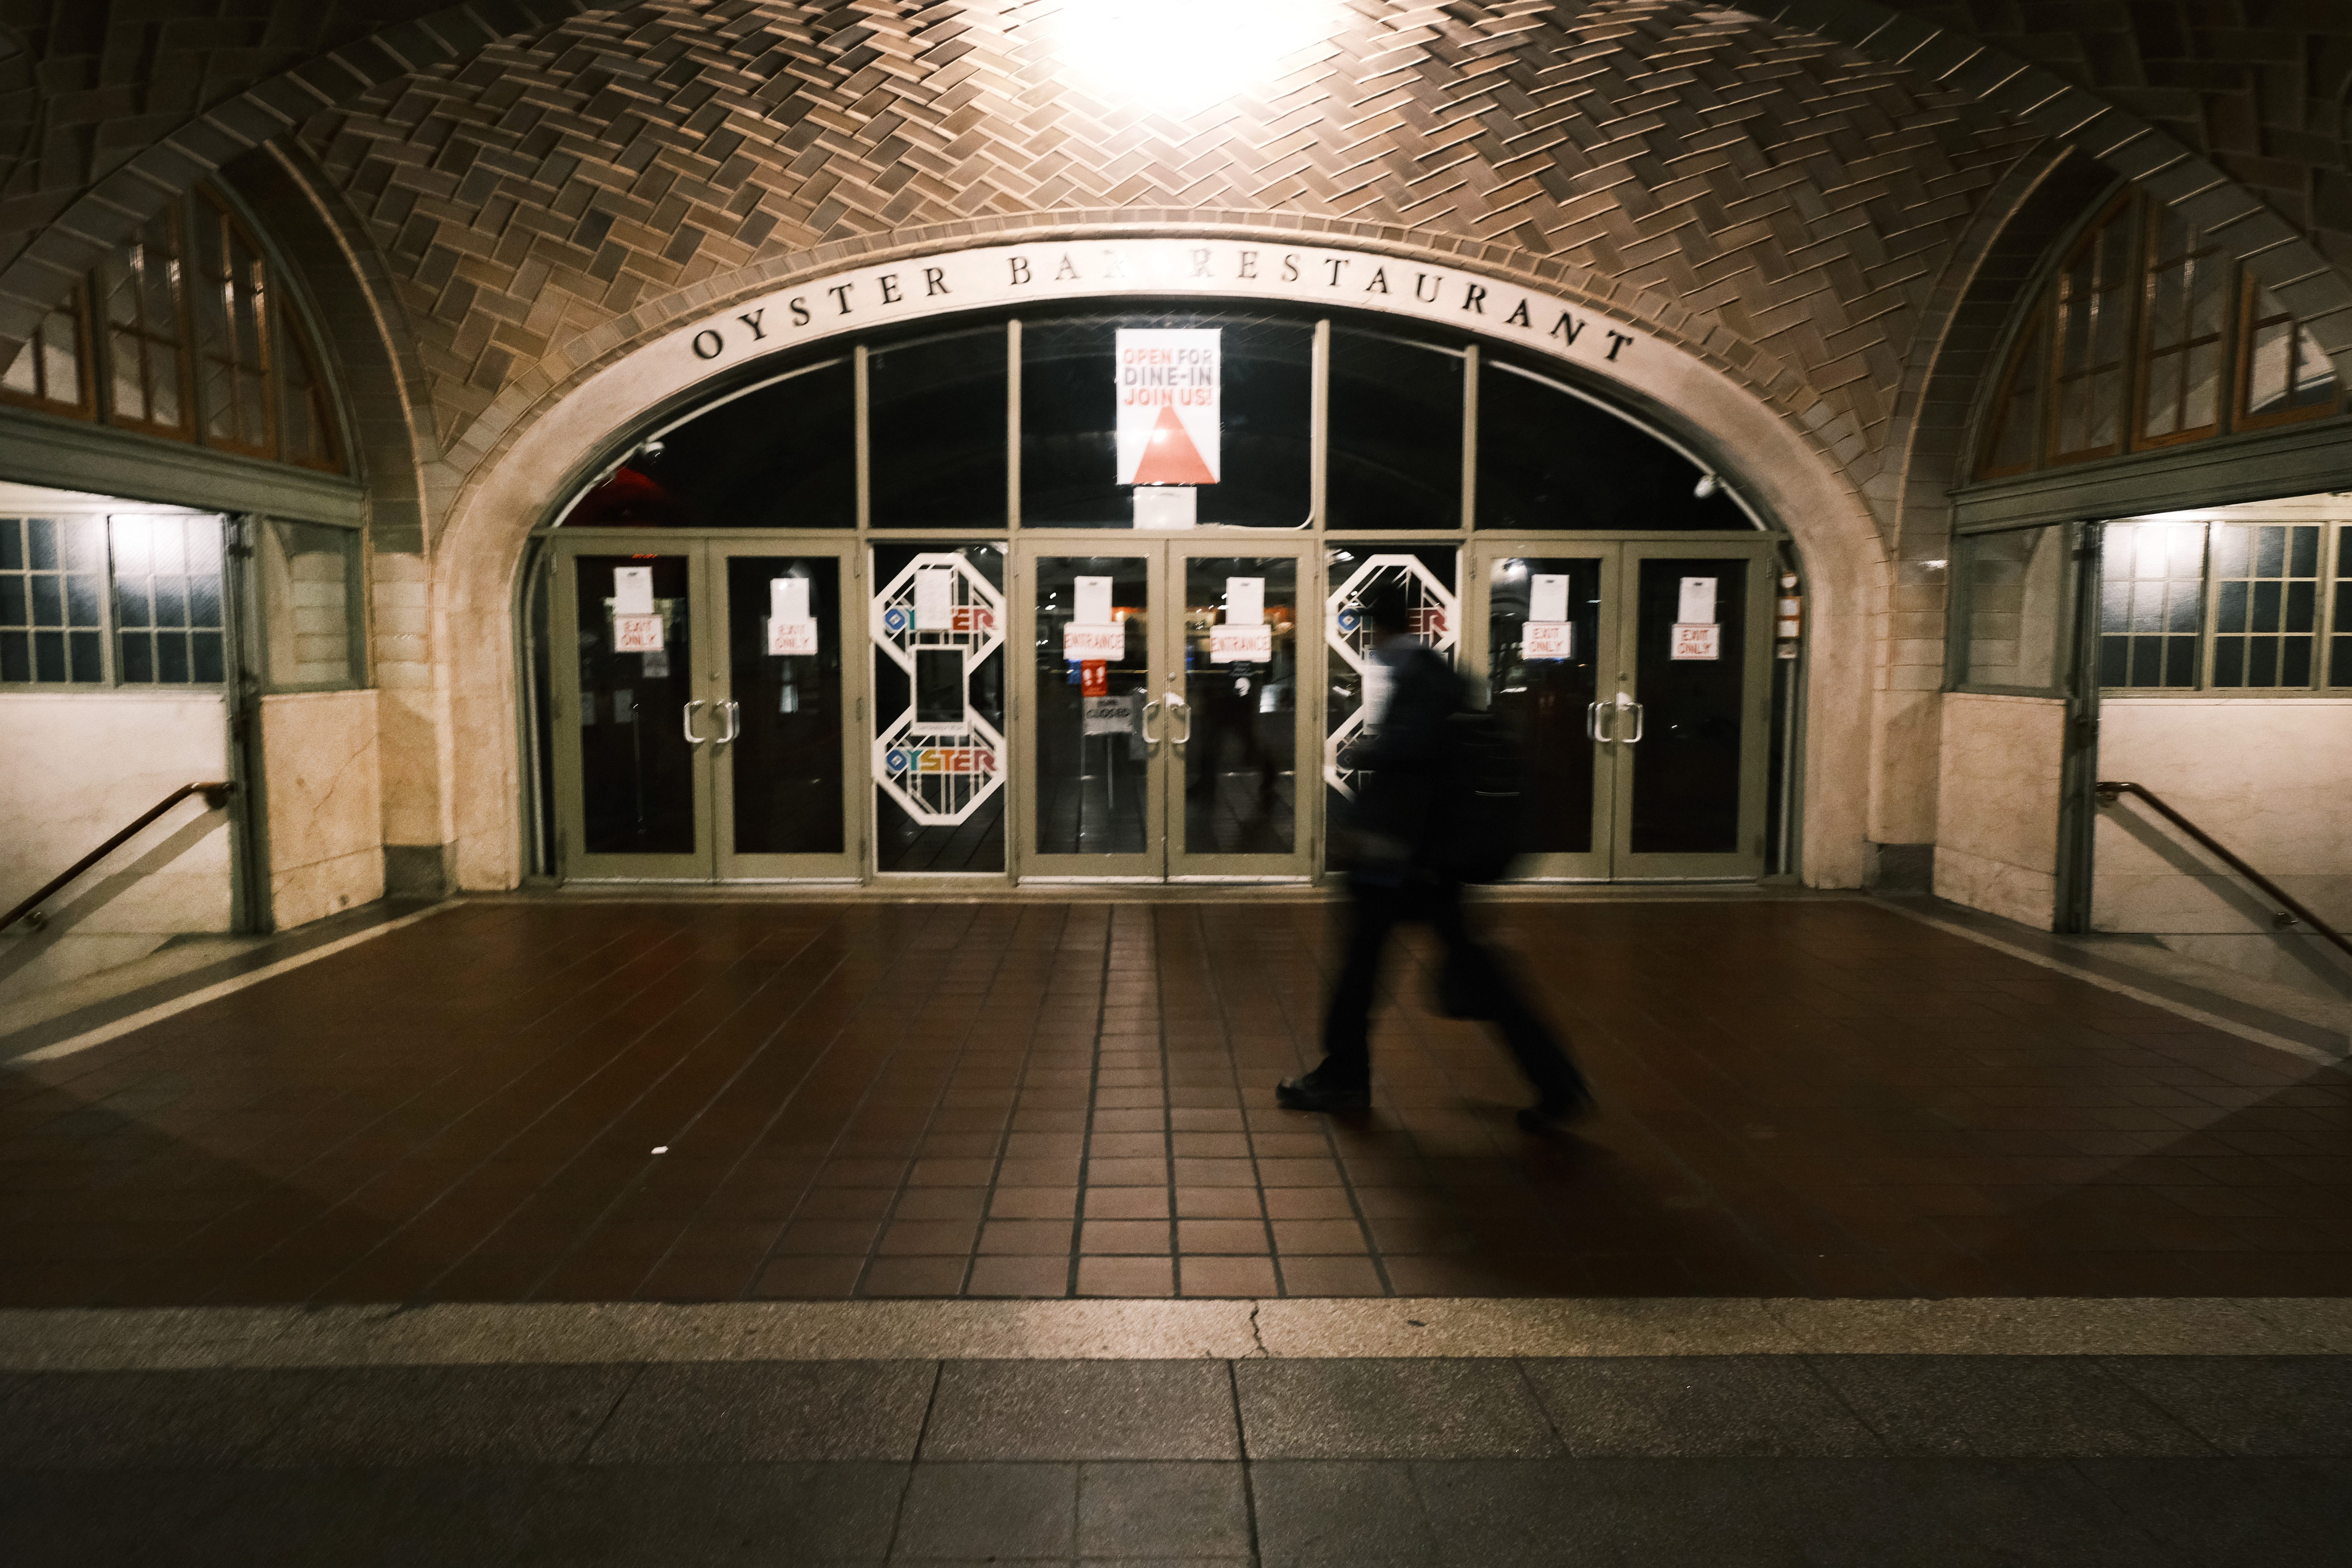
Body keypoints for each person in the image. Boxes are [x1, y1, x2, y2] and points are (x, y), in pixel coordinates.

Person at [1278, 582, 1592, 1133]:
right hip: (1428, 859)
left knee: (1364, 969)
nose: (1369, 642)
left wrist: (1371, 779)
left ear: (1382, 629)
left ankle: (1346, 1077)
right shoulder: (1438, 675)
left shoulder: (1419, 679)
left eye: (1369, 630)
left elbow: (1414, 763)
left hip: (1407, 861)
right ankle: (1558, 1083)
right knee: (1465, 971)